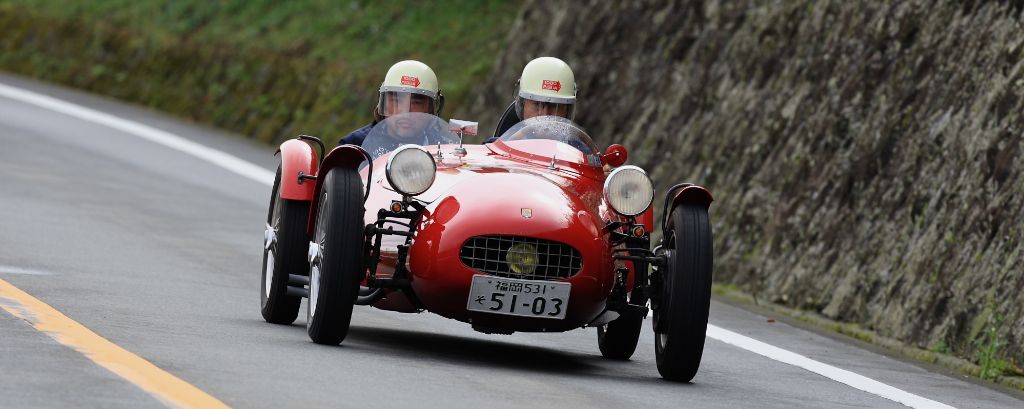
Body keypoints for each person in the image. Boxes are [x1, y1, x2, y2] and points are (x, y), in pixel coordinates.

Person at [338, 60, 444, 147]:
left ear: (431, 110)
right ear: (383, 104)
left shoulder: (446, 149)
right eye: (397, 101)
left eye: (416, 102)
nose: (405, 112)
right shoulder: (353, 146)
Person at [486, 56, 578, 142]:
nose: (544, 115)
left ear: (567, 112)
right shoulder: (496, 149)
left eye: (554, 106)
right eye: (537, 104)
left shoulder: (581, 155)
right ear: (522, 106)